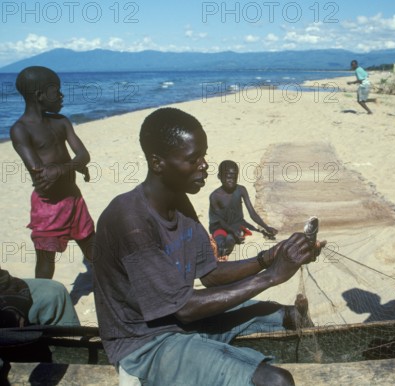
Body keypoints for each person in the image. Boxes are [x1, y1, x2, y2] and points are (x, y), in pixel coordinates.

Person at [92, 107, 325, 386]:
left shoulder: (178, 202)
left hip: (180, 323)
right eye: (193, 159)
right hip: (144, 346)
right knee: (276, 381)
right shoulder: (131, 221)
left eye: (204, 155)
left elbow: (211, 274)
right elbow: (185, 308)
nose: (204, 165)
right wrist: (272, 276)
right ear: (158, 163)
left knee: (287, 316)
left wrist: (270, 256)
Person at [10, 66, 95, 279]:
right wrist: (72, 165)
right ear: (39, 95)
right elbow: (40, 172)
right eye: (55, 91)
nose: (61, 95)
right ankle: (42, 302)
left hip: (74, 198)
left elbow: (84, 155)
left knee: (93, 249)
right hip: (49, 206)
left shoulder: (61, 121)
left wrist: (60, 169)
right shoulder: (20, 129)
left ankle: (112, 290)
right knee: (46, 263)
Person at [209, 160, 279, 257]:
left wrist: (266, 227)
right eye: (229, 177)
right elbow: (219, 220)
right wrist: (231, 230)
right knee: (220, 242)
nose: (232, 180)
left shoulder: (241, 190)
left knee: (231, 239)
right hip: (219, 226)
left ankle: (229, 243)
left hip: (236, 224)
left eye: (234, 177)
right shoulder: (215, 196)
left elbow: (252, 213)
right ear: (219, 177)